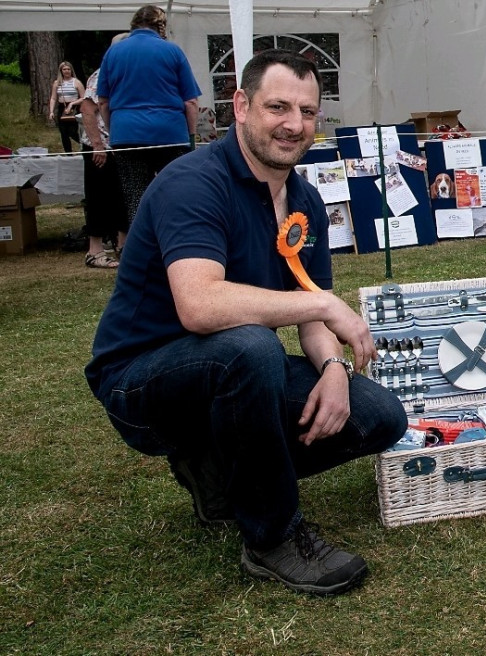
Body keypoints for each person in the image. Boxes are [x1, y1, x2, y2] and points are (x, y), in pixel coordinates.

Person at [84, 49, 408, 596]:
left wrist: (331, 366)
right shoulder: (193, 182)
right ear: (240, 105)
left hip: (229, 367)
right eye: (277, 107)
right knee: (251, 347)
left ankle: (219, 480)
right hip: (140, 381)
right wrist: (325, 306)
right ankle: (271, 536)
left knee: (378, 415)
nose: (294, 125)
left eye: (308, 112)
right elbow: (200, 306)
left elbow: (307, 303)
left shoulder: (303, 198)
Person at [98, 5, 201, 226]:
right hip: (170, 134)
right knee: (177, 194)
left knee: (136, 198)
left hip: (126, 134)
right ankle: (179, 245)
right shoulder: (172, 51)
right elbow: (190, 102)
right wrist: (191, 137)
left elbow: (103, 102)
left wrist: (113, 133)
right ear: (160, 26)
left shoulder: (113, 52)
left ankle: (142, 252)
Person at [78, 34, 130, 269]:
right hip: (99, 146)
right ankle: (94, 250)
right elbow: (88, 110)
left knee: (122, 195)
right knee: (99, 197)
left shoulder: (126, 73)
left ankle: (124, 244)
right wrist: (97, 145)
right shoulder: (101, 75)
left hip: (120, 145)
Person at [48, 61, 85, 153]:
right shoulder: (57, 83)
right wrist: (51, 111)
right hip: (62, 107)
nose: (66, 71)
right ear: (61, 71)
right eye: (64, 69)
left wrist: (72, 104)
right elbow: (53, 98)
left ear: (71, 70)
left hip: (74, 108)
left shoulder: (77, 82)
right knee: (63, 133)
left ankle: (85, 144)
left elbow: (84, 98)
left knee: (72, 132)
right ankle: (68, 154)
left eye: (68, 69)